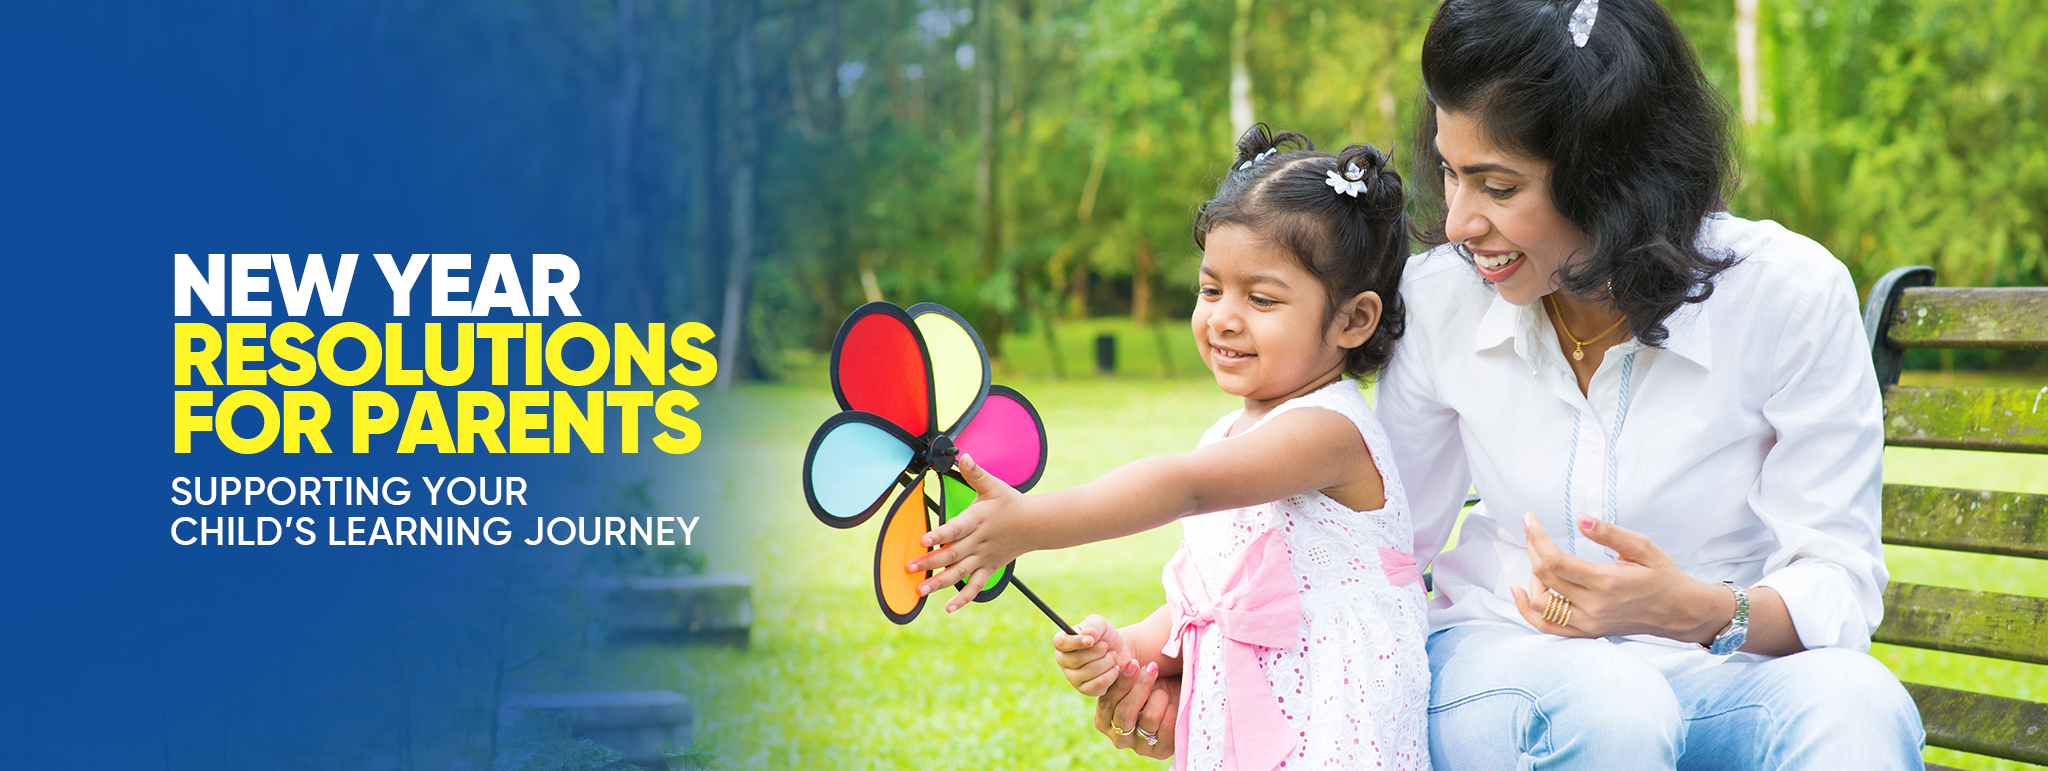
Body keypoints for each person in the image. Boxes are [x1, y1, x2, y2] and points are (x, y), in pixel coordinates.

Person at [1094, 0, 1925, 767]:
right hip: (1495, 660)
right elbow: (1368, 546)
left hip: (1720, 669)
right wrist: (1192, 660)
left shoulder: (1789, 291)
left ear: (1614, 175)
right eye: (1451, 173)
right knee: (1610, 702)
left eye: (1498, 186)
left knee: (1860, 703)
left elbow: (1836, 578)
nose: (1457, 222)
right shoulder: (1443, 297)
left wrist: (1691, 608)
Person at [909, 126, 1432, 770]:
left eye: (1262, 298)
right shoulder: (1226, 438)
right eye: (1211, 289)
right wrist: (1129, 648)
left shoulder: (1329, 431)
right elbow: (1207, 607)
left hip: (1337, 735)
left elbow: (1182, 484)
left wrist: (1030, 523)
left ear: (1354, 319)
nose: (1223, 317)